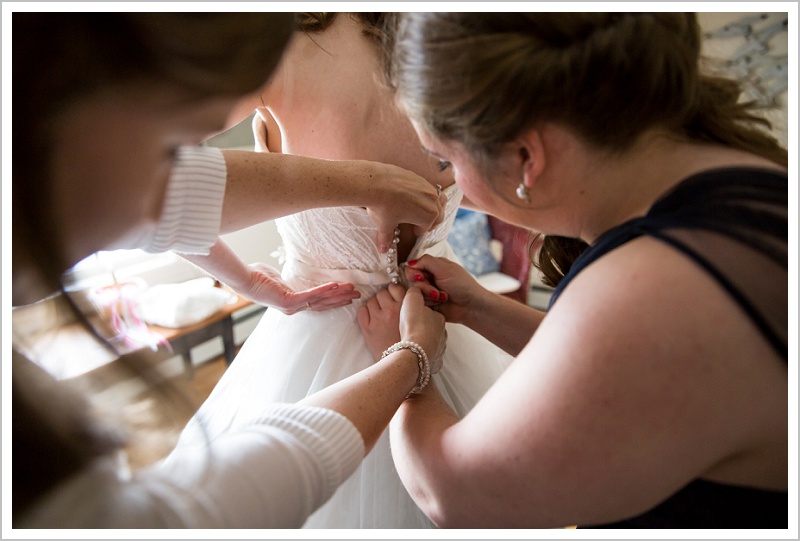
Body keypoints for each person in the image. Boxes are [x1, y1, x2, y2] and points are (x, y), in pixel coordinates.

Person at [11, 12, 448, 528]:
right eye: (175, 147)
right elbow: (177, 521)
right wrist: (408, 363)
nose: (180, 173)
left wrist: (246, 279)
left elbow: (168, 203)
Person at [359, 12, 789, 528]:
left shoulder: (645, 292)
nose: (459, 192)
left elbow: (453, 495)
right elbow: (626, 371)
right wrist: (475, 307)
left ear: (525, 155)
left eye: (444, 159)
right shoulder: (737, 172)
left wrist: (409, 361)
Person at [169, 13, 515, 528]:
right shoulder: (284, 43)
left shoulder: (282, 46)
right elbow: (159, 184)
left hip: (416, 324)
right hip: (379, 332)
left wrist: (245, 281)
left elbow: (157, 187)